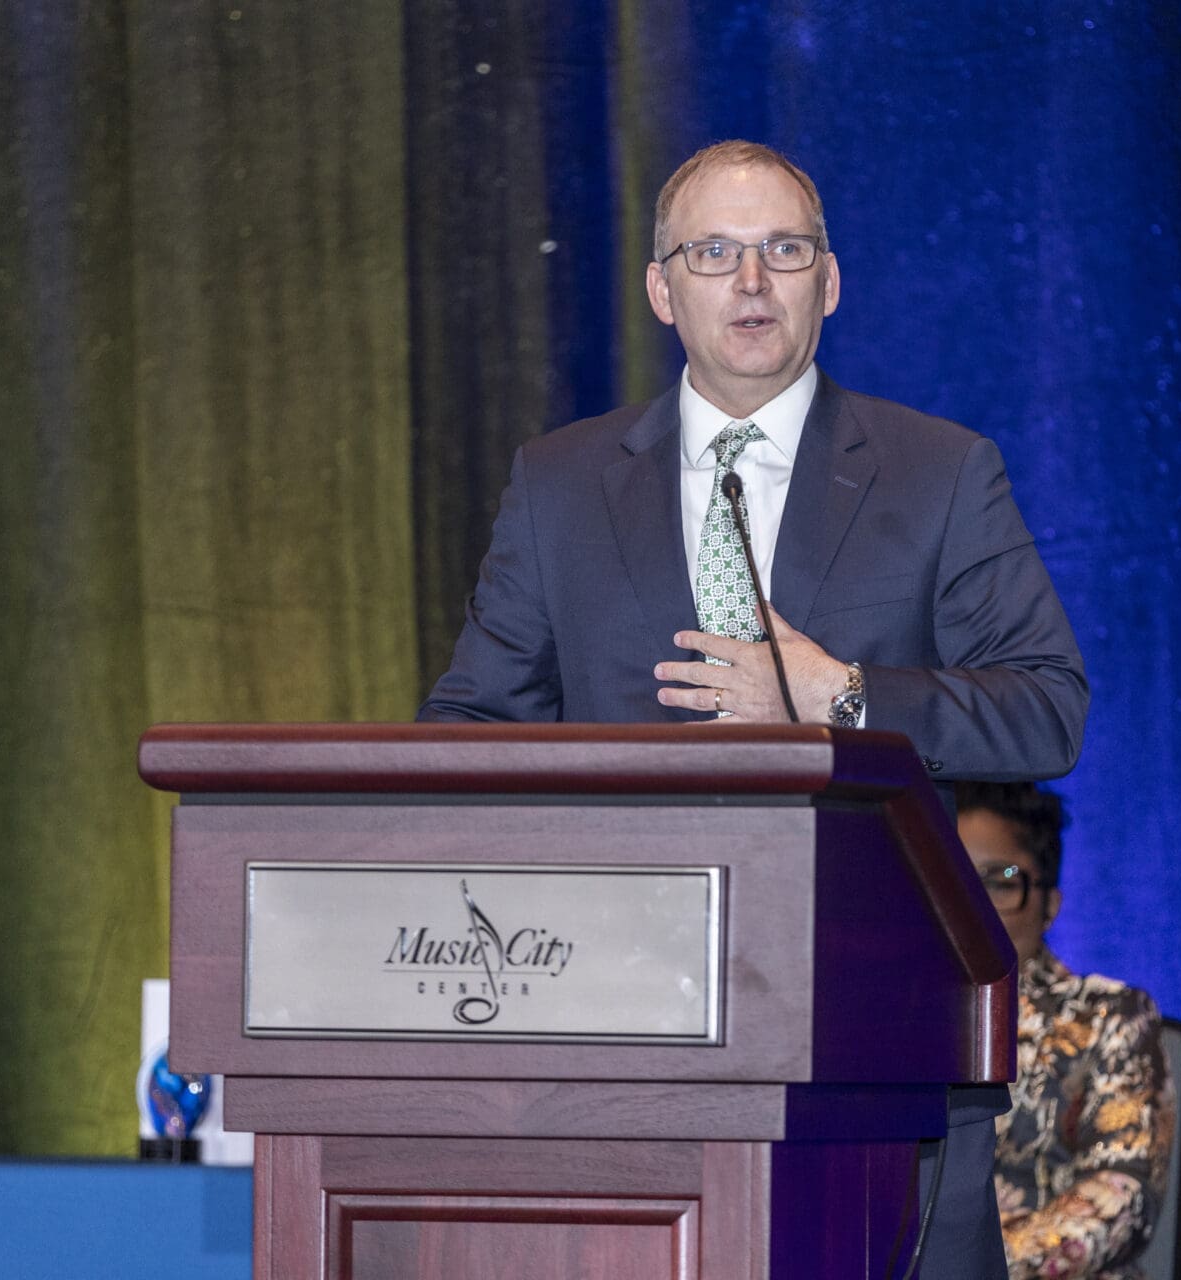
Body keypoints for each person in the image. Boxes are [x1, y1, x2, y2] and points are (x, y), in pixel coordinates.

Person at [420, 139, 1090, 1279]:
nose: (749, 280)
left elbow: (1047, 708)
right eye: (713, 252)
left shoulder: (939, 473)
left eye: (783, 250)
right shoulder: (560, 485)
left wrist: (844, 695)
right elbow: (468, 734)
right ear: (660, 289)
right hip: (613, 1035)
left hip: (872, 1040)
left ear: (829, 282)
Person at [956, 781, 1175, 1280]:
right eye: (953, 879)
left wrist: (966, 1267)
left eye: (1000, 880)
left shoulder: (1108, 1015)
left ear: (1050, 904)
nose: (971, 904)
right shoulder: (884, 1014)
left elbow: (1122, 1197)